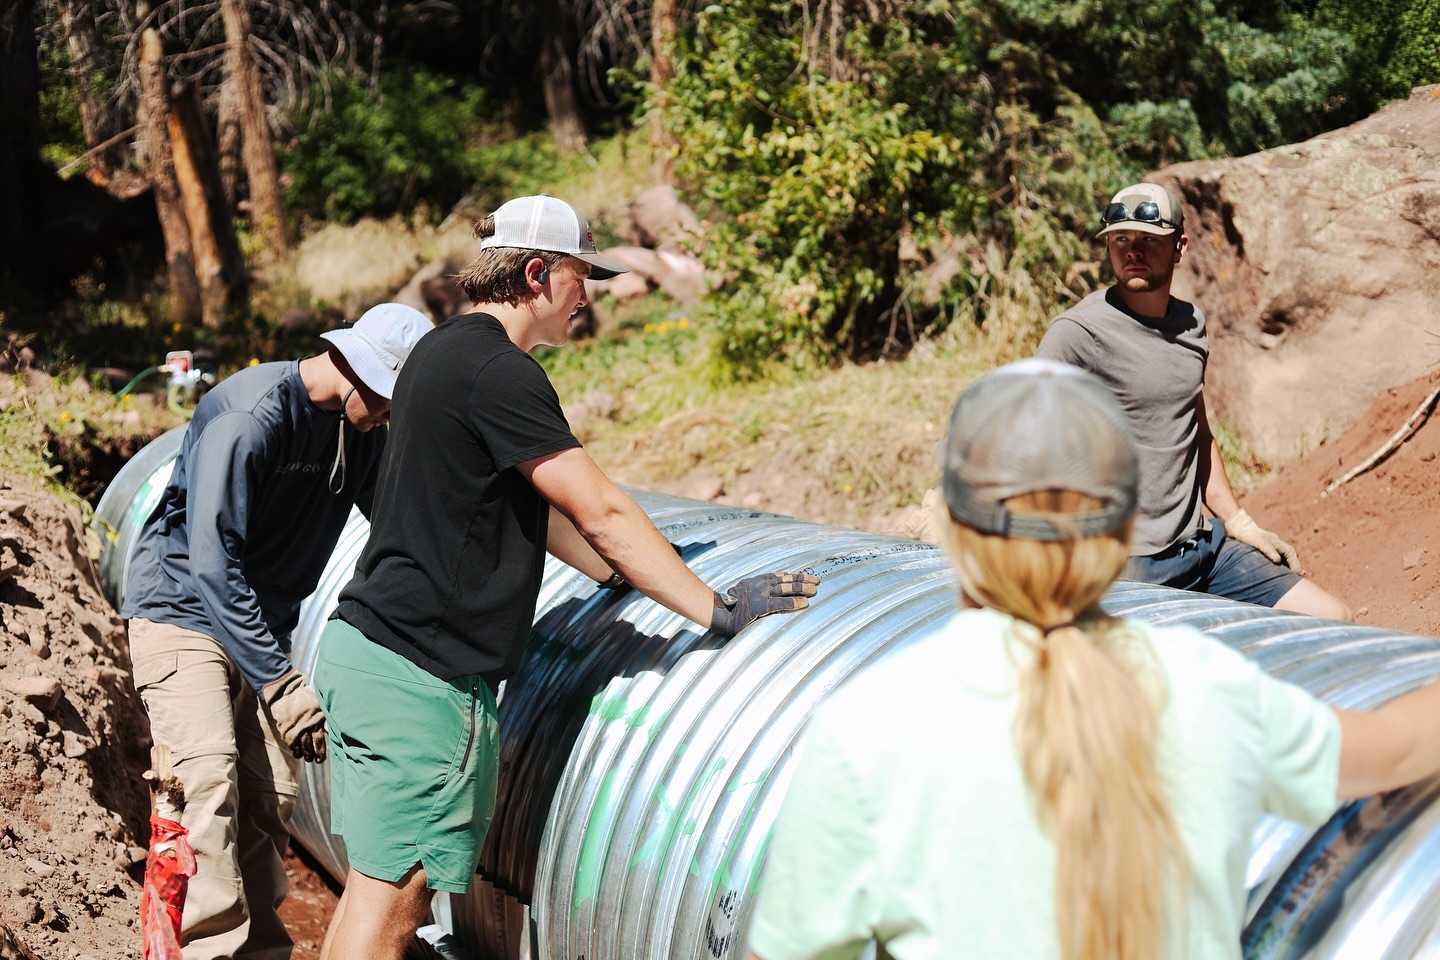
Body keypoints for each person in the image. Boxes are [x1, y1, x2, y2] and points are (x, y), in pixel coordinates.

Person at [749, 358, 1440, 960]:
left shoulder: (865, 729)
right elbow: (1396, 751)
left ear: (952, 533)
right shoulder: (1205, 684)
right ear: (1119, 540)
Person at [312, 195, 820, 960]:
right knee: (393, 908)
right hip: (420, 678)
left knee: (376, 892)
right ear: (538, 273)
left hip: (371, 654)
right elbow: (601, 508)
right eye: (583, 276)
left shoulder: (439, 355)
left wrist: (615, 577)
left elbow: (524, 504)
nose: (590, 295)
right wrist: (714, 608)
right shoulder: (499, 371)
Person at [121, 302, 434, 960]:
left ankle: (259, 950)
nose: (386, 418)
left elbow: (395, 526)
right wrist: (278, 681)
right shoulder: (251, 417)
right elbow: (211, 559)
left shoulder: (362, 430)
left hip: (260, 622)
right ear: (354, 370)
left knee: (268, 796)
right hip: (183, 610)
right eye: (384, 401)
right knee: (207, 781)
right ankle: (212, 951)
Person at [1035, 182, 1350, 619]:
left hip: (1200, 549)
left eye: (1149, 239)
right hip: (1125, 566)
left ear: (1179, 246)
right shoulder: (1077, 334)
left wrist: (1239, 522)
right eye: (1121, 239)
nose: (1132, 251)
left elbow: (1196, 431)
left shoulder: (1191, 325)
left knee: (1332, 617)